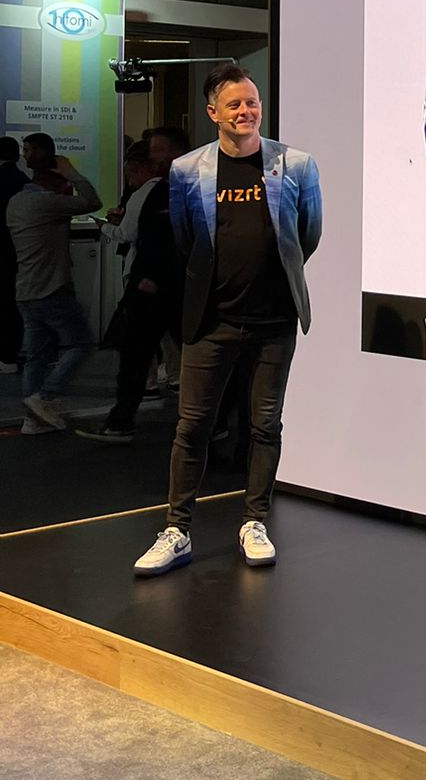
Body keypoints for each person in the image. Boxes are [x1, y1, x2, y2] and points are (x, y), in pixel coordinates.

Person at [132, 66, 321, 576]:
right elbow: (185, 240)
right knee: (192, 426)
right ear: (213, 112)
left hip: (274, 321)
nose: (246, 111)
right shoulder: (186, 170)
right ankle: (177, 530)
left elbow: (307, 235)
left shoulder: (297, 165)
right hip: (210, 320)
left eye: (252, 102)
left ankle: (254, 522)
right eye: (234, 104)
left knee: (264, 425)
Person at [78, 126, 188, 445]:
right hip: (172, 284)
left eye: (159, 149)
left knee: (136, 354)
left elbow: (145, 236)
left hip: (152, 285)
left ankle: (122, 420)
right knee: (172, 348)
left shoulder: (156, 191)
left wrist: (151, 275)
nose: (155, 155)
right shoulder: (177, 188)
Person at [6, 134, 101, 433]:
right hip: (52, 288)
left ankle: (33, 419)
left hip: (25, 289)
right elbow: (92, 201)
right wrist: (71, 171)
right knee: (82, 343)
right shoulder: (46, 202)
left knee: (36, 355)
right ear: (56, 183)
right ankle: (45, 397)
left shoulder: (16, 202)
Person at [0, 136, 25, 372]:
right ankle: (15, 351)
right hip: (20, 249)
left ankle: (6, 355)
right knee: (14, 303)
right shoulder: (23, 181)